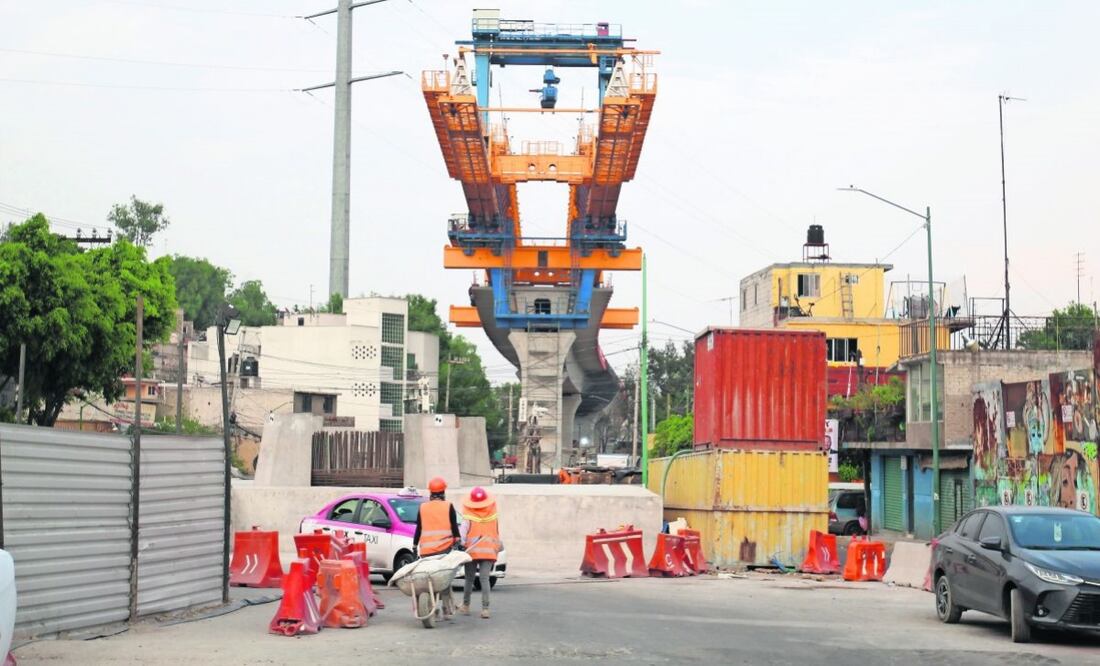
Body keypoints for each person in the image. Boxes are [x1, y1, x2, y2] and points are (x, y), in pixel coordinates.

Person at [459, 486, 501, 619]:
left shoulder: (468, 517)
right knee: (484, 579)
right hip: (488, 552)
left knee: (469, 579)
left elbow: (462, 535)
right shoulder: (493, 516)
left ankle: (465, 606)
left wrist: (461, 545)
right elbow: (497, 534)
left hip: (471, 552)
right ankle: (485, 609)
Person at [413, 477, 461, 557]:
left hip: (426, 552)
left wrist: (414, 545)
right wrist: (458, 540)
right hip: (445, 550)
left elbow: (419, 529)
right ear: (443, 492)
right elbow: (454, 527)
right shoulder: (448, 506)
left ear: (431, 492)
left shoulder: (422, 507)